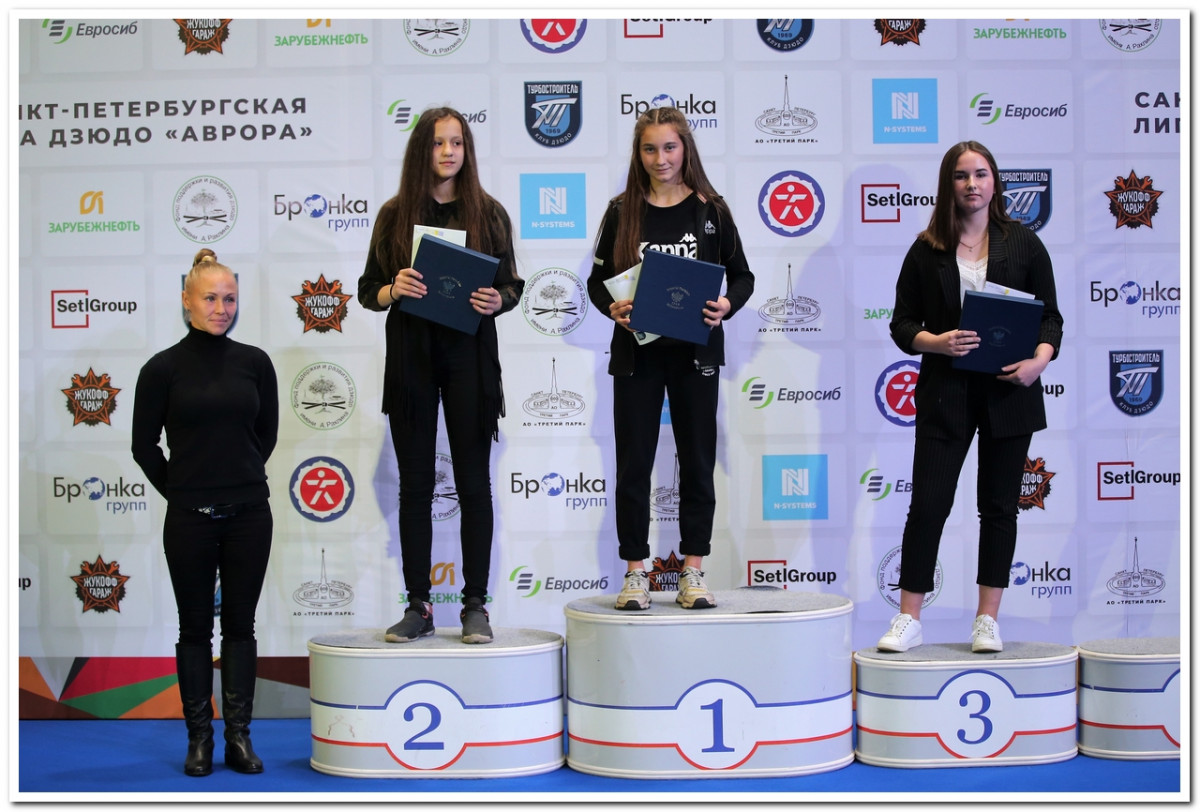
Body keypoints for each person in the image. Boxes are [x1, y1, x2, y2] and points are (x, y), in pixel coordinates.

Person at [877, 141, 1063, 654]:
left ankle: (987, 621)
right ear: (949, 184)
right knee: (928, 505)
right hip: (947, 392)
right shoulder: (926, 248)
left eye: (981, 174)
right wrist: (936, 342)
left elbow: (1050, 317)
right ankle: (909, 618)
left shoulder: (1023, 243)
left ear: (994, 181)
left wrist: (1040, 360)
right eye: (962, 176)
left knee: (999, 508)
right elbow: (902, 324)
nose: (972, 184)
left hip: (1010, 392)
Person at [357, 106, 524, 645]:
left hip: (470, 358)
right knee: (415, 487)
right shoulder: (394, 214)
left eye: (457, 142)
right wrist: (393, 289)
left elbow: (513, 285)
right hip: (413, 358)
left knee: (474, 484)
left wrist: (498, 299)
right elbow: (367, 290)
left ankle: (475, 606)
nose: (448, 151)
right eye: (437, 142)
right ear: (421, 151)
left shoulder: (488, 212)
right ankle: (419, 606)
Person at [587, 106, 754, 611]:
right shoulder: (621, 210)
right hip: (636, 357)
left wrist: (726, 305)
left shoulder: (711, 210)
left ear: (685, 149)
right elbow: (597, 282)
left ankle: (692, 571)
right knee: (633, 465)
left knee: (697, 463)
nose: (660, 158)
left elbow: (742, 277)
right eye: (650, 148)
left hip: (695, 355)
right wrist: (612, 307)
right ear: (638, 154)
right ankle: (635, 573)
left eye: (669, 147)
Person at [131, 249, 278, 776]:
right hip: (189, 518)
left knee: (240, 627)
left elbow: (265, 436)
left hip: (249, 516)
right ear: (187, 301)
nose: (221, 308)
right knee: (194, 629)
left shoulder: (256, 362)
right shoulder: (161, 368)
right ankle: (199, 739)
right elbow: (144, 446)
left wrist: (237, 478)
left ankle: (239, 737)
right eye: (211, 298)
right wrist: (182, 490)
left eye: (230, 299)